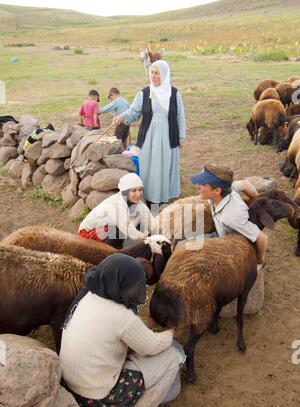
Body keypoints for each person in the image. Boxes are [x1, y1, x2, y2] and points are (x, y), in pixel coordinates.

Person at [59, 253, 183, 407]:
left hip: (69, 390)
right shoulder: (122, 317)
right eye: (133, 284)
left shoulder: (87, 295)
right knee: (172, 357)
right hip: (99, 401)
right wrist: (171, 334)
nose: (137, 289)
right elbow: (152, 346)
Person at [113, 60, 185, 207]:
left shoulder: (175, 94)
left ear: (164, 74)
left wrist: (181, 136)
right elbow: (134, 111)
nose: (153, 76)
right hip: (148, 136)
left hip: (168, 135)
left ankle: (163, 197)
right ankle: (149, 196)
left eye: (156, 73)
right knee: (148, 165)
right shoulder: (144, 93)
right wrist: (122, 117)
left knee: (165, 165)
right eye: (151, 72)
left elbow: (180, 116)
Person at [189, 164, 268, 265]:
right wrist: (256, 198)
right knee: (183, 245)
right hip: (218, 233)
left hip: (228, 247)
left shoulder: (232, 217)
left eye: (202, 184)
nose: (196, 186)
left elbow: (262, 238)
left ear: (217, 190)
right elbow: (245, 184)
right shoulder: (228, 187)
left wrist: (260, 259)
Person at [78, 173, 155, 249]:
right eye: (134, 190)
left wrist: (160, 236)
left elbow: (152, 223)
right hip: (86, 235)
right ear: (125, 192)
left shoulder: (139, 204)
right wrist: (148, 241)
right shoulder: (115, 204)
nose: (138, 194)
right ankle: (107, 254)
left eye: (140, 190)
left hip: (108, 230)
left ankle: (120, 249)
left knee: (138, 222)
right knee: (118, 230)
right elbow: (128, 229)